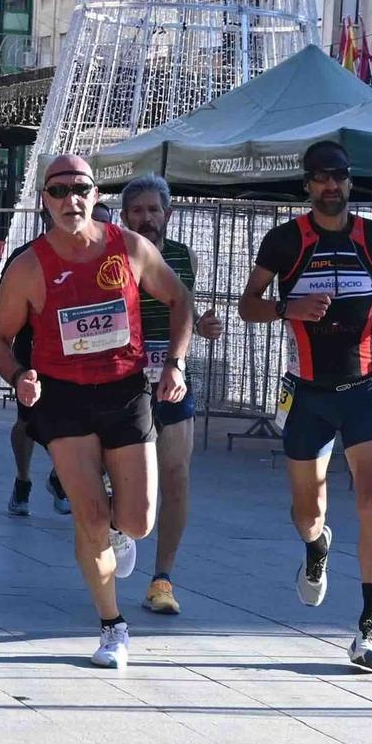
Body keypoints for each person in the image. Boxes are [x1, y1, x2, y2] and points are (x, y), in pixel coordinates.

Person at [235, 140, 372, 673]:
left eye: (340, 177)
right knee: (308, 513)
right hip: (307, 393)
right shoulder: (285, 241)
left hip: (365, 389)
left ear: (350, 182)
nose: (331, 186)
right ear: (307, 185)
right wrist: (287, 307)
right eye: (321, 178)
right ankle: (317, 545)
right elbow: (246, 305)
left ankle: (369, 628)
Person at [0, 155, 193, 670]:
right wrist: (18, 375)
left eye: (80, 188)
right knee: (90, 516)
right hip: (64, 398)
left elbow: (179, 298)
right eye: (58, 191)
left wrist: (176, 364)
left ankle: (119, 529)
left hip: (125, 391)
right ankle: (112, 627)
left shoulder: (129, 247)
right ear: (44, 201)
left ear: (96, 194)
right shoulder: (29, 266)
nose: (70, 199)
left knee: (138, 521)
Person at [117, 175, 223, 616]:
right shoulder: (110, 254)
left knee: (176, 474)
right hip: (120, 381)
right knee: (124, 481)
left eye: (154, 210)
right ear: (124, 217)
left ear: (168, 215)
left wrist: (202, 325)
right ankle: (117, 527)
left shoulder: (183, 256)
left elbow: (184, 307)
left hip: (170, 378)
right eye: (138, 210)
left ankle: (162, 579)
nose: (147, 218)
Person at [0, 212, 72, 519]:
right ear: (45, 215)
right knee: (28, 421)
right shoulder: (25, 256)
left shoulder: (89, 257)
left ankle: (60, 478)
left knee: (73, 420)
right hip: (33, 352)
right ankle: (23, 479)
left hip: (75, 353)